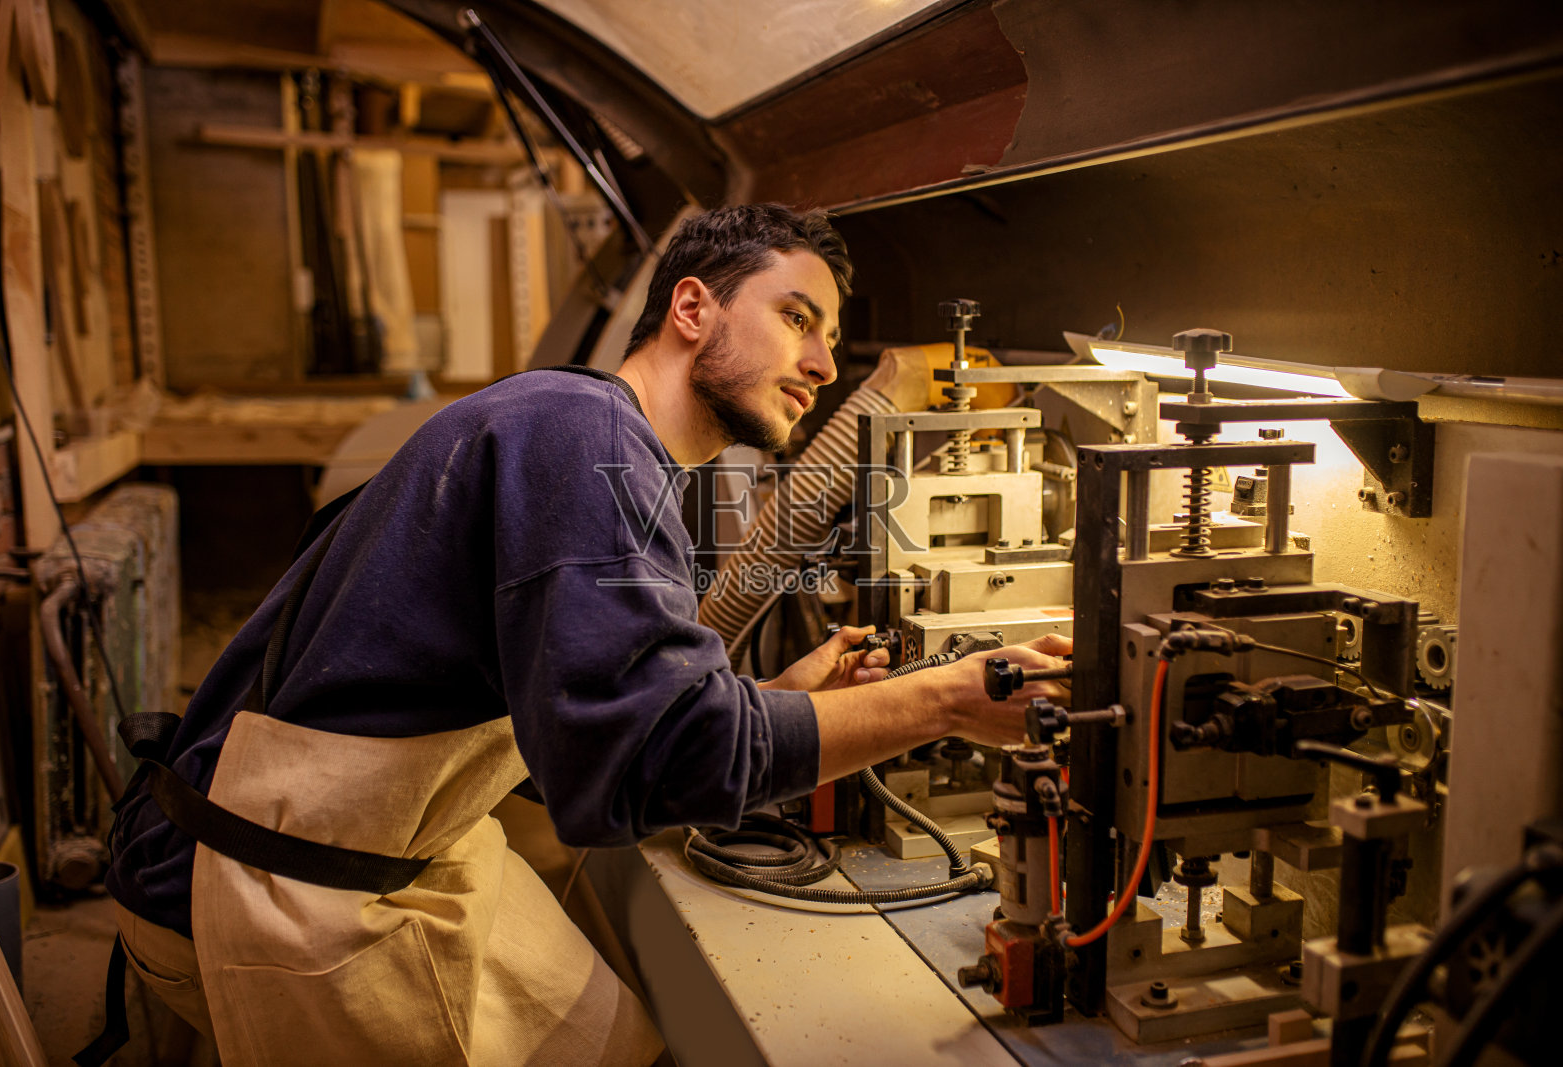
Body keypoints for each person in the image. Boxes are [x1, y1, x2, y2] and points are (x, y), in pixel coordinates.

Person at [99, 204, 1071, 1066]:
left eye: (830, 337)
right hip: (266, 888)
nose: (823, 364)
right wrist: (948, 698)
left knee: (608, 1031)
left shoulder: (576, 427)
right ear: (691, 309)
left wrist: (794, 705)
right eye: (795, 317)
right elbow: (640, 771)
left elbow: (565, 732)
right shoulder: (587, 439)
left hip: (352, 849)